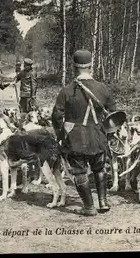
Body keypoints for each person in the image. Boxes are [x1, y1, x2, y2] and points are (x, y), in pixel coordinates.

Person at [52, 49, 116, 216]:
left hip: (75, 138)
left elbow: (57, 116)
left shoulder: (66, 90)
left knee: (79, 172)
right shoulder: (103, 88)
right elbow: (114, 115)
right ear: (91, 67)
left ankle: (89, 207)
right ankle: (103, 202)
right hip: (98, 136)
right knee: (99, 168)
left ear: (74, 67)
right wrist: (107, 135)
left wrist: (61, 136)